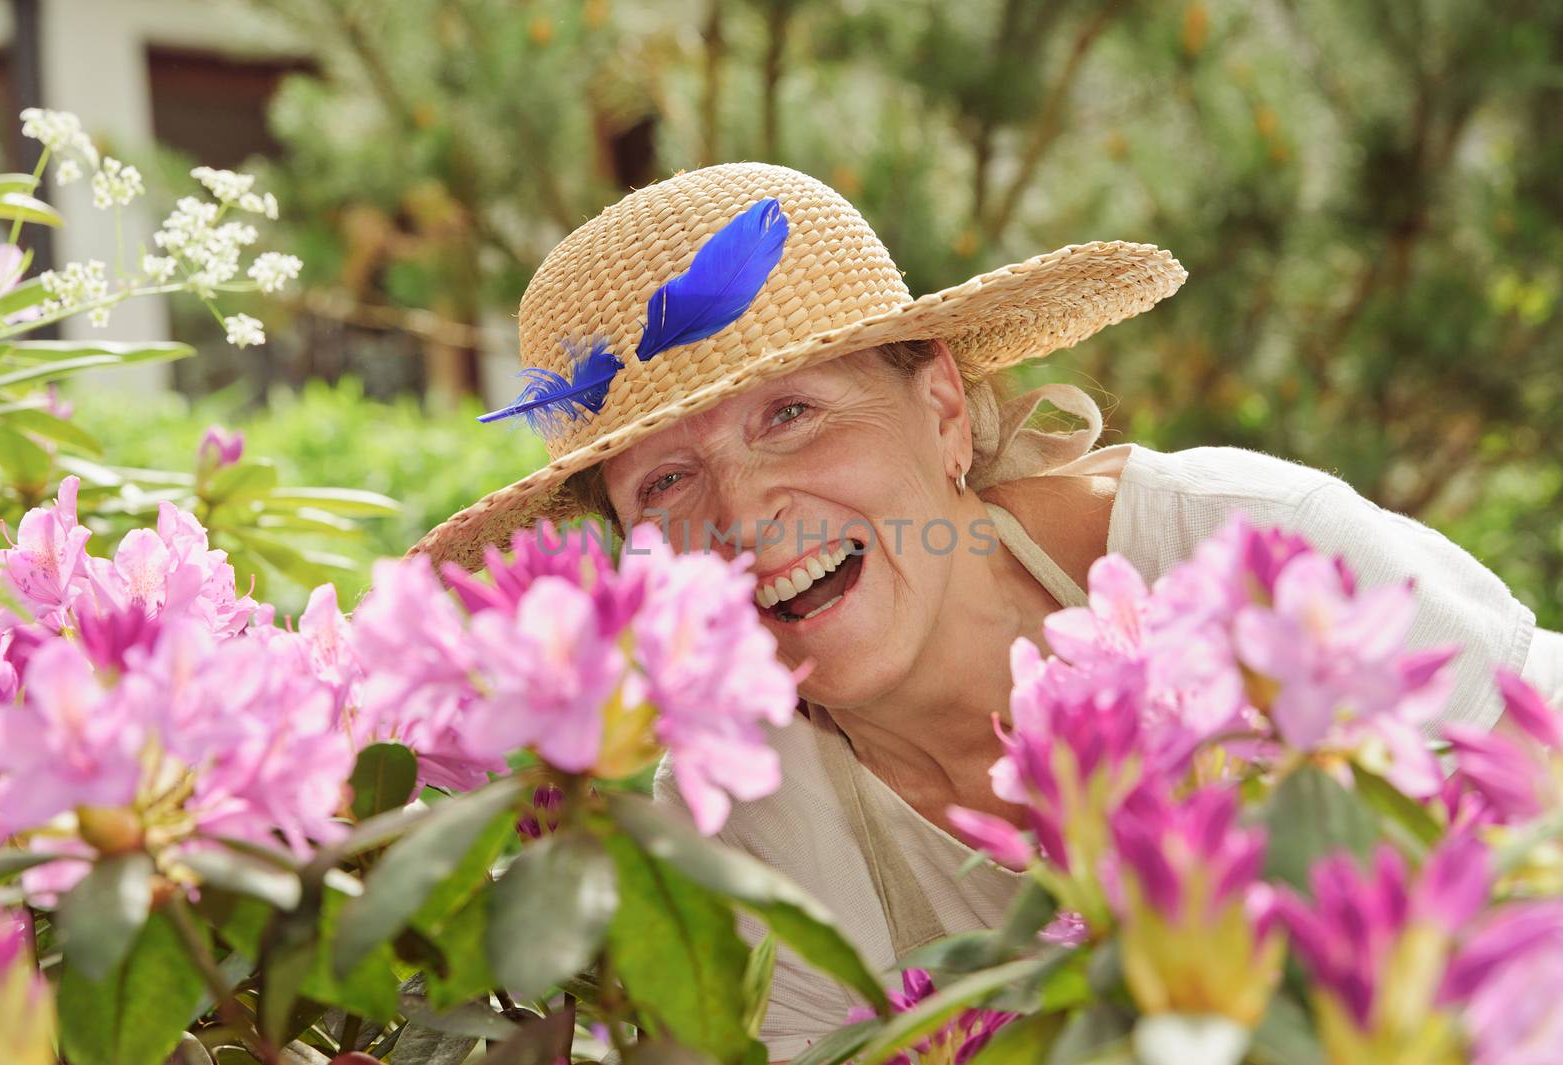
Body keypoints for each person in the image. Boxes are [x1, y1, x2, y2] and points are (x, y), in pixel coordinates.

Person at [409, 162, 1561, 1060]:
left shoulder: (1241, 542)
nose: (747, 513)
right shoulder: (743, 829)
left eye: (793, 415)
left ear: (945, 411)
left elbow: (1523, 850)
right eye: (664, 481)